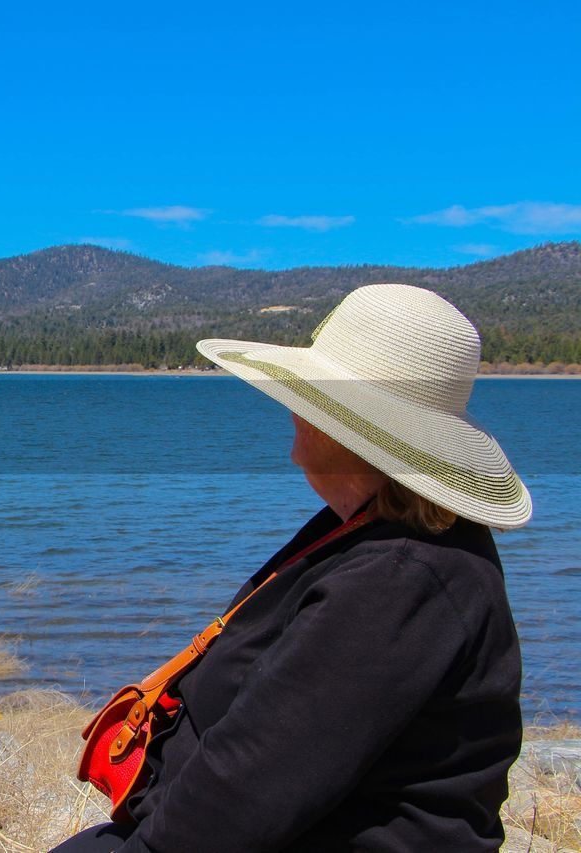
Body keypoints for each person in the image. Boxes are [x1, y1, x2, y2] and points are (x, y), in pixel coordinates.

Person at [54, 283, 530, 852]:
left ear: (346, 428)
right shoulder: (374, 534)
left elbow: (249, 786)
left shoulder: (399, 580)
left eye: (306, 396)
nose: (290, 409)